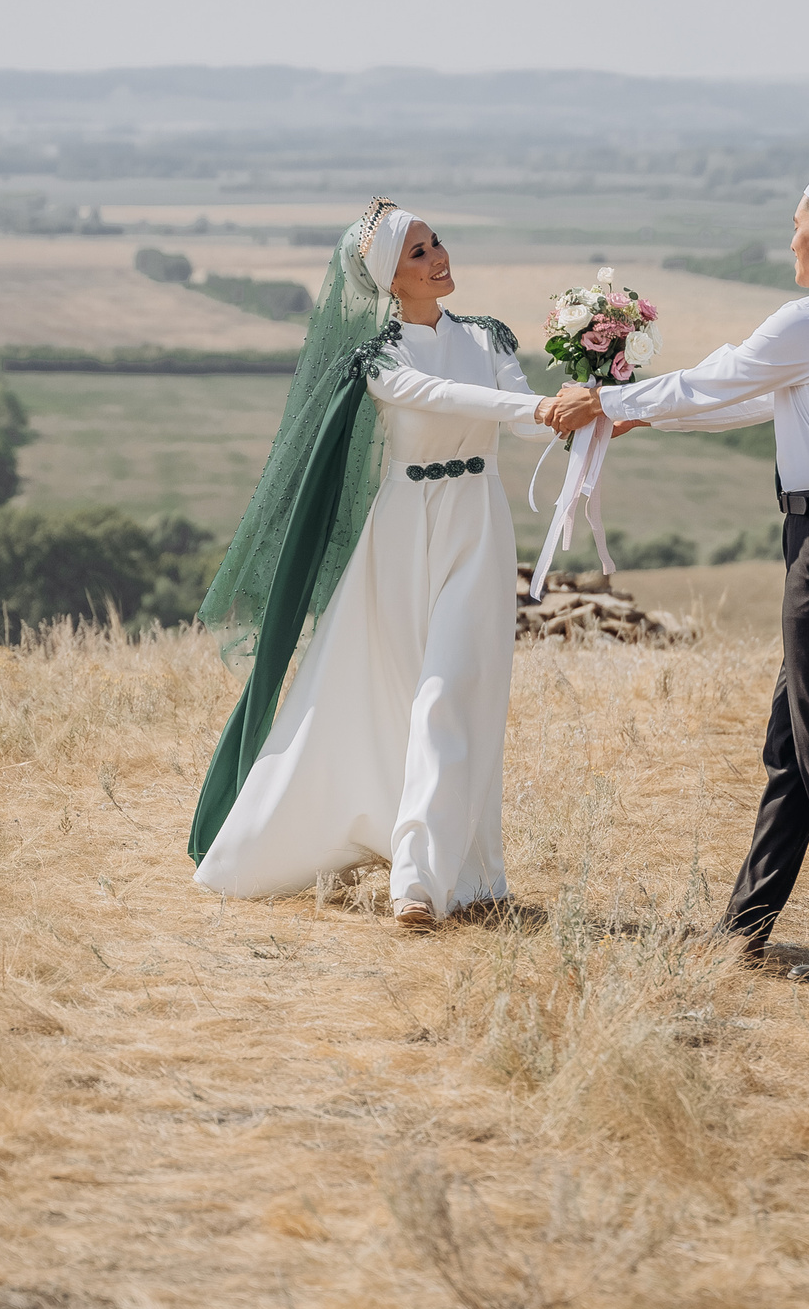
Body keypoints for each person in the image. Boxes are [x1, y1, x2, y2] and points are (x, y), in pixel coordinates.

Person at [542, 161, 809, 983]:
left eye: (797, 223)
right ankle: (744, 926)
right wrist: (637, 411)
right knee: (797, 739)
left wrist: (605, 403)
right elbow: (752, 399)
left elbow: (720, 375)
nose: (789, 238)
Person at [189, 200, 565, 930]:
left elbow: (516, 407)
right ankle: (448, 872)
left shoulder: (487, 338)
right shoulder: (382, 358)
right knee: (412, 697)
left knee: (456, 691)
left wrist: (575, 402)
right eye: (418, 254)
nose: (438, 258)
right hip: (402, 533)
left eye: (438, 243)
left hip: (476, 525)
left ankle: (433, 879)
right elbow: (440, 395)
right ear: (391, 279)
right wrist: (548, 407)